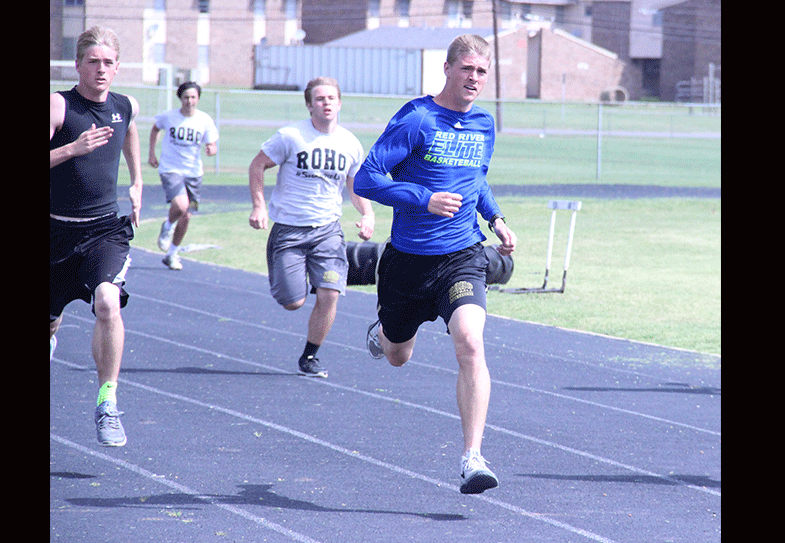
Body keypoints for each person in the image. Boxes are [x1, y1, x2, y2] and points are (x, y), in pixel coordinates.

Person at [353, 34, 517, 494]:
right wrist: (423, 199)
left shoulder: (484, 124)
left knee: (470, 341)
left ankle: (472, 457)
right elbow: (367, 179)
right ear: (447, 69)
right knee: (398, 356)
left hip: (462, 255)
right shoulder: (417, 118)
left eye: (482, 72)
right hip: (408, 262)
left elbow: (476, 180)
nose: (475, 78)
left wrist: (497, 218)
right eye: (467, 68)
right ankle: (383, 332)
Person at [50, 25, 143, 447]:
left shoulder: (125, 105)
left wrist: (138, 182)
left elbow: (130, 135)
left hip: (104, 230)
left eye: (108, 62)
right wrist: (73, 148)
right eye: (93, 62)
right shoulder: (58, 106)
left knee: (108, 300)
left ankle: (108, 401)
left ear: (118, 66)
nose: (101, 69)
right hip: (54, 233)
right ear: (78, 65)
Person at [249, 77, 375, 378]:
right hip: (290, 230)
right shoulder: (290, 136)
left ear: (340, 103)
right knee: (293, 302)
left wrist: (367, 213)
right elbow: (257, 165)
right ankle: (295, 272)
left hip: (327, 231)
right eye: (319, 99)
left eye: (331, 98)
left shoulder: (350, 143)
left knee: (330, 294)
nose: (326, 103)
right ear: (309, 105)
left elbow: (354, 183)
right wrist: (259, 205)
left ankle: (309, 356)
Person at [148, 81, 219, 270]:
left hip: (194, 173)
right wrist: (152, 153)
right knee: (180, 205)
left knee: (186, 216)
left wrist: (211, 148)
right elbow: (155, 128)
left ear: (198, 99)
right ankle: (168, 226)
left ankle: (172, 254)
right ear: (180, 98)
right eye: (186, 97)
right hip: (171, 169)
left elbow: (211, 143)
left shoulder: (204, 120)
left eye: (193, 97)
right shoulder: (169, 117)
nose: (190, 101)